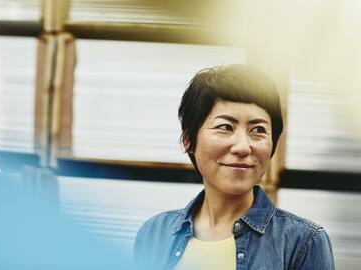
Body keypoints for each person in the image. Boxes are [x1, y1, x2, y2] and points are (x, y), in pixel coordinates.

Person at [134, 65, 335, 270]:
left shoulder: (303, 242)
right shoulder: (154, 233)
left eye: (258, 130)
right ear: (188, 140)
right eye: (225, 127)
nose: (242, 147)